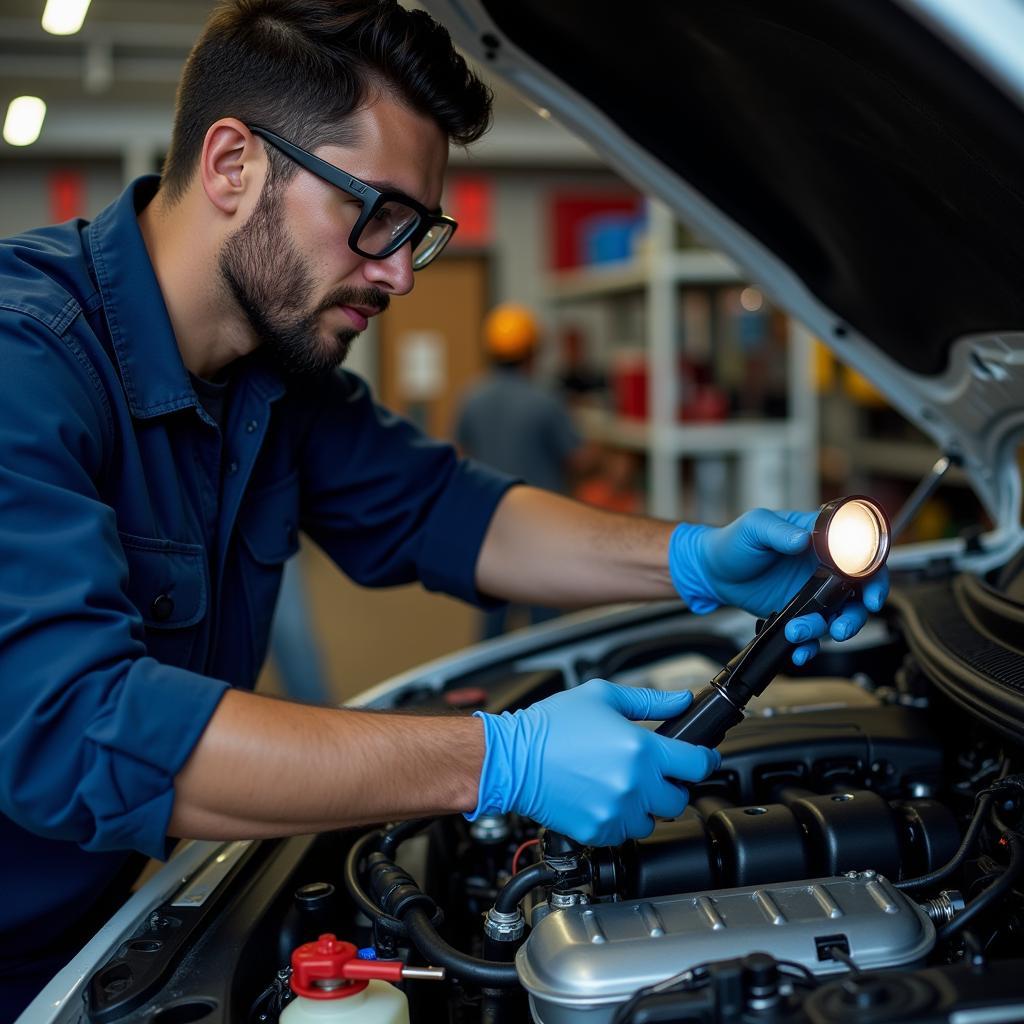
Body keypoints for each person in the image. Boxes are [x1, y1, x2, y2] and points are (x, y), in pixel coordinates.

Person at [0, 2, 888, 1017]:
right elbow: (81, 726)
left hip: (107, 915)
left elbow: (449, 512)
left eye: (415, 233)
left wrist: (693, 560)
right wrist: (497, 758)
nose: (395, 273)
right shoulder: (23, 363)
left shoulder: (272, 373)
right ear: (234, 164)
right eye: (375, 215)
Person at [455, 302, 588, 636]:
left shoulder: (472, 397)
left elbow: (459, 454)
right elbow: (579, 458)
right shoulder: (544, 400)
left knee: (492, 624)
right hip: (540, 527)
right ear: (533, 351)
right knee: (545, 624)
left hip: (490, 525)